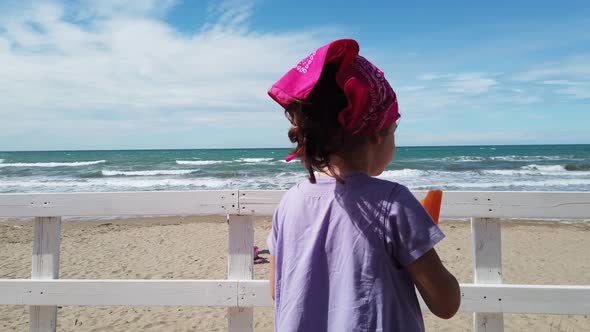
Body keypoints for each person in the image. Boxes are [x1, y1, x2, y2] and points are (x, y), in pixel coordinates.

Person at [266, 39, 460, 331]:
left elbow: (277, 290)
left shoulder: (290, 202)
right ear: (376, 134)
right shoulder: (393, 203)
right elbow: (445, 303)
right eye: (394, 129)